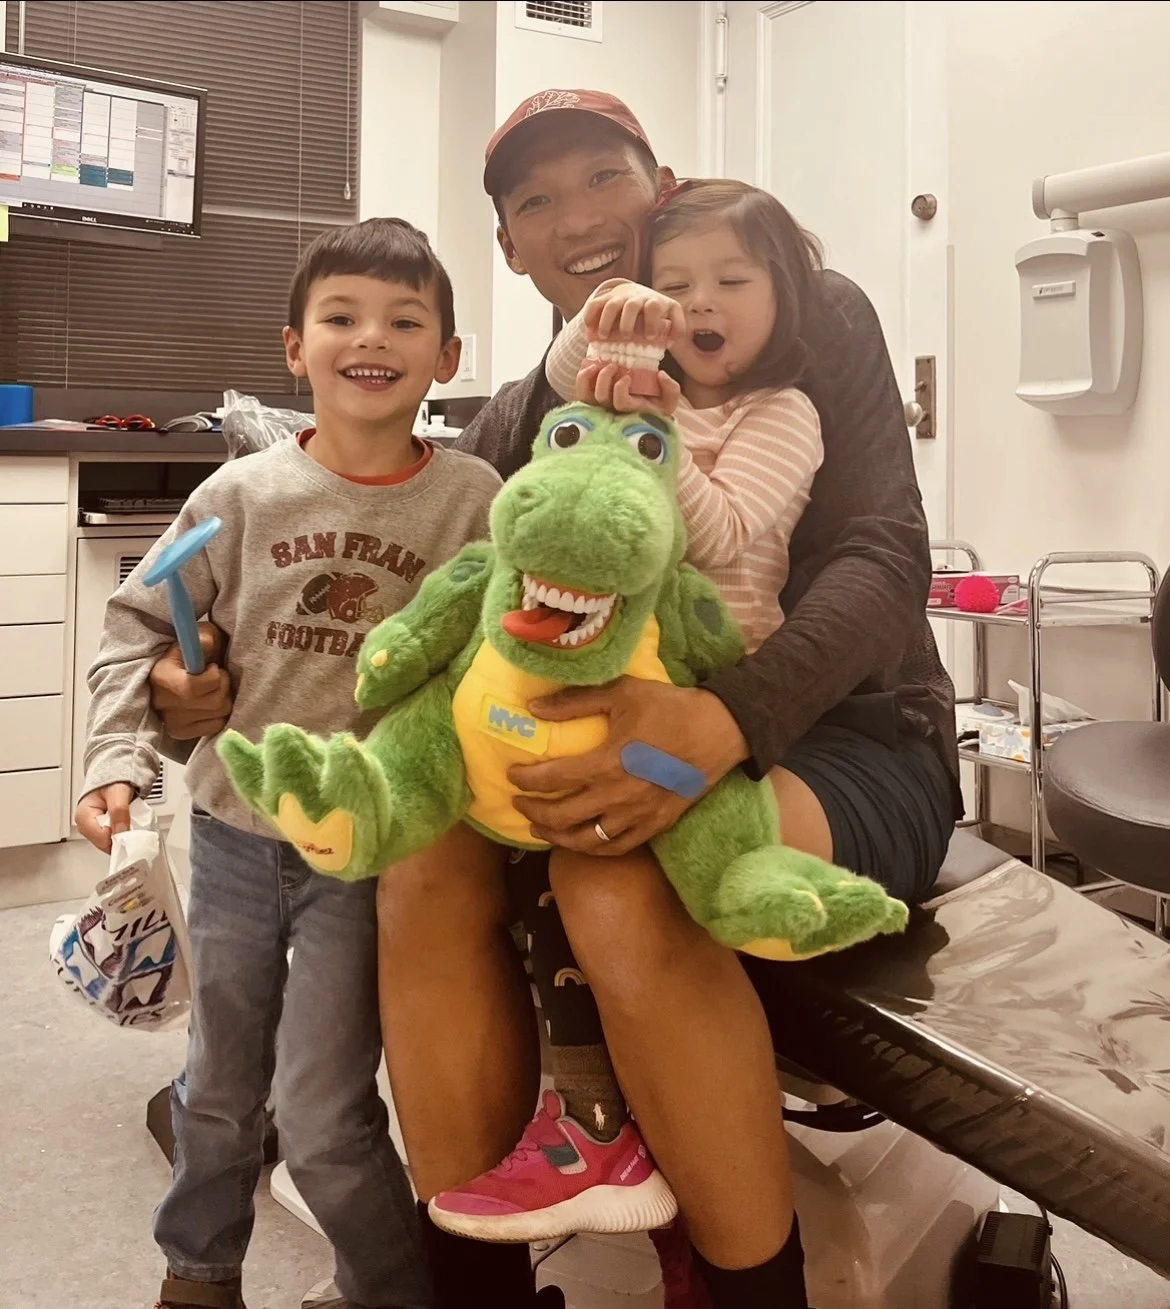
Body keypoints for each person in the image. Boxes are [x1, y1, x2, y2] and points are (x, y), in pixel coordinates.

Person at [149, 91, 961, 1309]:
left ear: (664, 184)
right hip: (610, 727)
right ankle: (474, 1283)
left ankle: (750, 1289)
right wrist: (202, 672)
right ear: (511, 248)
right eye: (537, 200)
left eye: (604, 177)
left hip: (848, 735)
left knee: (618, 878)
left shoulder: (795, 312)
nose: (580, 217)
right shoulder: (526, 412)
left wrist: (721, 723)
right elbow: (456, 608)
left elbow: (889, 556)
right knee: (421, 864)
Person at [75, 217, 502, 1309]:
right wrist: (120, 756)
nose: (373, 338)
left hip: (370, 855)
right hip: (229, 840)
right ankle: (198, 1272)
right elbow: (138, 626)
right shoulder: (239, 496)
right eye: (343, 317)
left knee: (321, 1111)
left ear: (447, 357)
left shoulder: (473, 502)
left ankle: (389, 1287)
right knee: (215, 1087)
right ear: (294, 346)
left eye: (406, 321)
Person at [425, 177, 831, 1241]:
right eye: (675, 282)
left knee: (596, 857)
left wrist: (650, 441)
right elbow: (567, 383)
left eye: (732, 282)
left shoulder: (782, 414)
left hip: (703, 680)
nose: (702, 301)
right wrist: (604, 336)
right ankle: (598, 1117)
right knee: (510, 824)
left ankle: (597, 1117)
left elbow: (729, 535)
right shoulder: (633, 384)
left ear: (783, 295)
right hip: (616, 668)